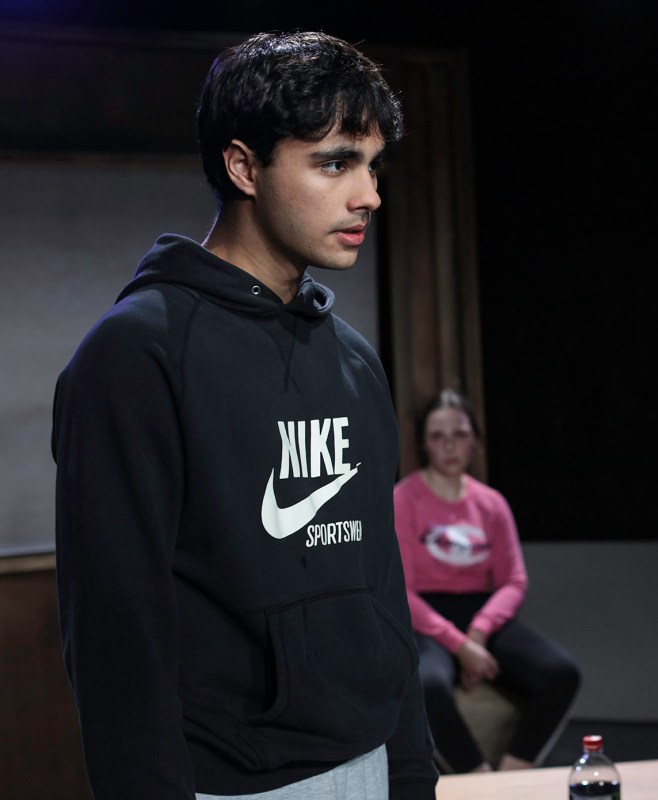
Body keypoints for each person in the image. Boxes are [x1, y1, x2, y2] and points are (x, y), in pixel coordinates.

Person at [51, 32, 437, 800]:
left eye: (372, 165)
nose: (369, 194)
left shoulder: (354, 361)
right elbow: (116, 635)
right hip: (228, 784)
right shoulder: (136, 355)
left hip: (369, 766)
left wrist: (411, 774)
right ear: (242, 166)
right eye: (336, 163)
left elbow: (382, 591)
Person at [390, 389, 581, 773]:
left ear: (475, 440)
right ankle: (477, 777)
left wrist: (478, 632)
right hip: (427, 619)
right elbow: (402, 591)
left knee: (561, 673)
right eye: (438, 436)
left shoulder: (491, 503)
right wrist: (459, 645)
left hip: (483, 615)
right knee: (427, 685)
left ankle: (514, 771)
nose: (449, 446)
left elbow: (514, 580)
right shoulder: (403, 498)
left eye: (459, 434)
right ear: (424, 444)